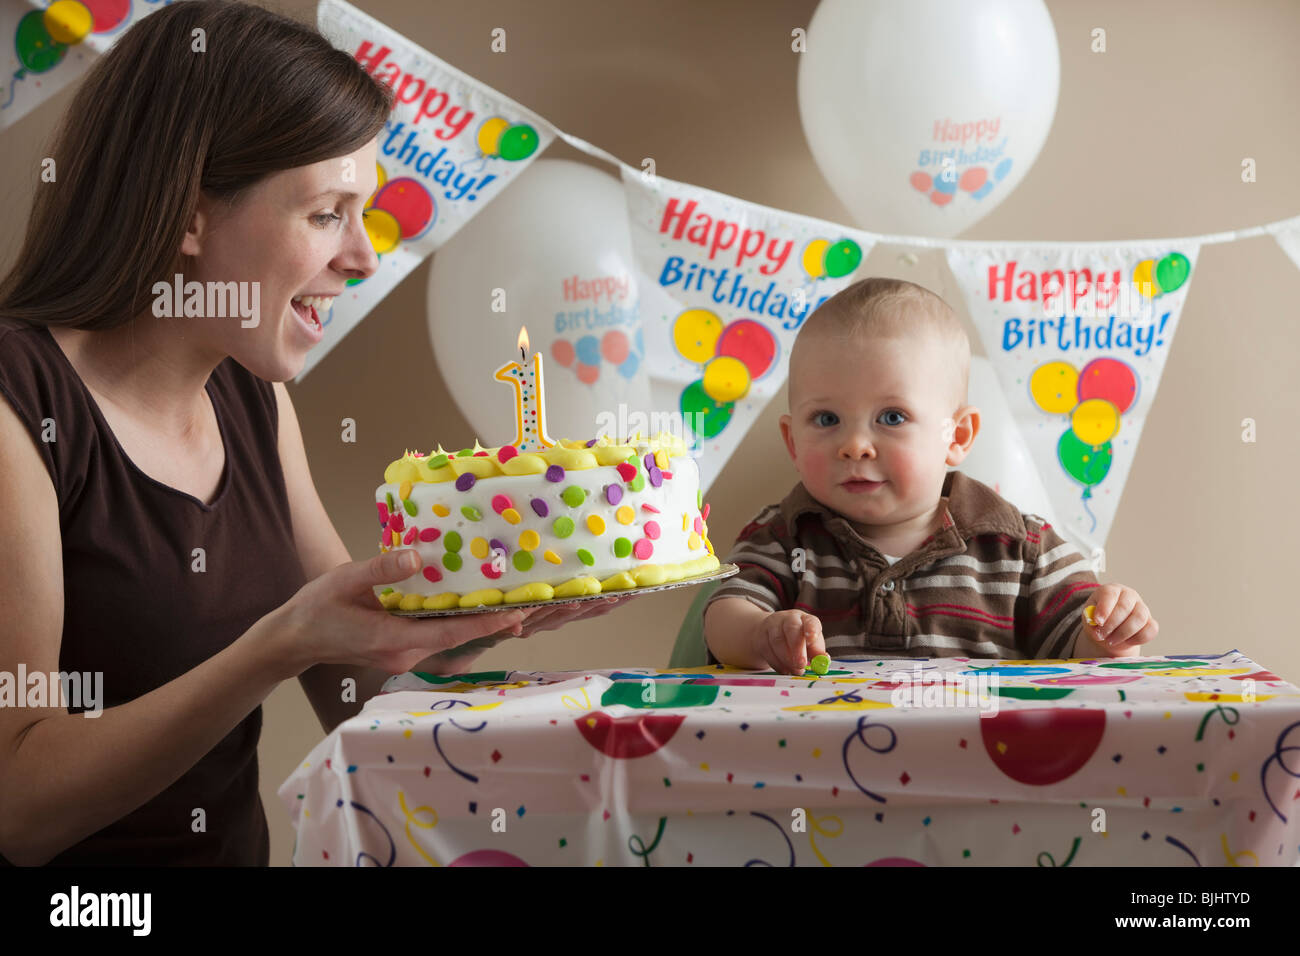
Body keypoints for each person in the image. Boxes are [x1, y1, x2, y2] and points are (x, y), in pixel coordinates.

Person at [0, 0, 618, 867]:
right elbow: (18, 807)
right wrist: (273, 648)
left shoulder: (252, 401)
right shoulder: (17, 407)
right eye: (328, 213)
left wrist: (491, 623)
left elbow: (360, 687)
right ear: (189, 214)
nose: (363, 257)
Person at [703, 277, 1158, 675]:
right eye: (826, 419)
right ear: (793, 443)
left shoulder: (1019, 548)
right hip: (813, 764)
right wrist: (761, 633)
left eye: (892, 417)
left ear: (957, 435)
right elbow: (722, 617)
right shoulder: (784, 535)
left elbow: (1082, 652)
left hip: (981, 764)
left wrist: (1108, 633)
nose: (855, 445)